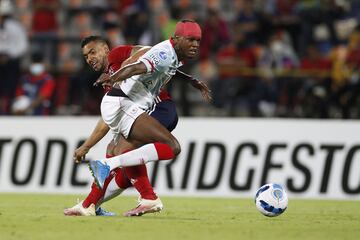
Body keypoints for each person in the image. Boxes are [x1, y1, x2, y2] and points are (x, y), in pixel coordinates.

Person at [65, 34, 210, 216]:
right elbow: (107, 120)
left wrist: (128, 66)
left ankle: (148, 197)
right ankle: (89, 205)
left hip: (158, 107)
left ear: (105, 49)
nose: (90, 58)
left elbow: (148, 52)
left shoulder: (117, 55)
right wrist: (86, 147)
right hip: (150, 110)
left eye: (93, 52)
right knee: (120, 162)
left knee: (122, 148)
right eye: (86, 56)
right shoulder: (108, 80)